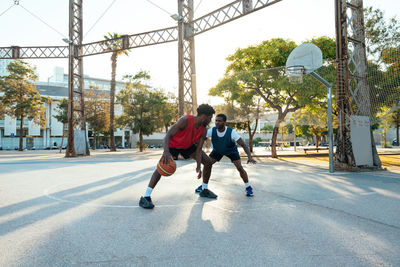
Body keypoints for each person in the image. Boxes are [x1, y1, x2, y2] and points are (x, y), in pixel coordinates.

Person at [139, 104, 217, 209]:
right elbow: (168, 136)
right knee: (161, 167)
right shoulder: (185, 120)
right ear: (204, 116)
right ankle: (146, 197)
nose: (210, 120)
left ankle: (204, 189)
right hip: (173, 145)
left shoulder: (203, 130)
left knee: (207, 162)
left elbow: (198, 149)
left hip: (188, 146)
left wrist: (198, 165)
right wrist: (166, 152)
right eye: (210, 117)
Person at [195, 113, 256, 197]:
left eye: (219, 121)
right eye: (216, 121)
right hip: (217, 151)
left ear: (224, 122)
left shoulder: (231, 132)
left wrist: (250, 157)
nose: (217, 123)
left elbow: (243, 145)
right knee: (207, 164)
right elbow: (201, 139)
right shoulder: (211, 131)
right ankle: (204, 186)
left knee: (239, 167)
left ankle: (248, 187)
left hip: (231, 151)